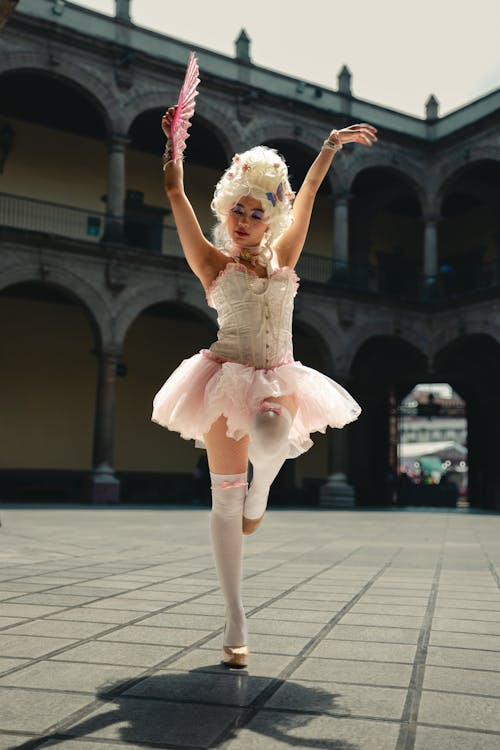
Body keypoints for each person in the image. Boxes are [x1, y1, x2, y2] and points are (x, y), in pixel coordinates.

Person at [152, 108, 378, 667]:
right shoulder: (210, 261)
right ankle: (235, 616)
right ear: (226, 213)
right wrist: (173, 151)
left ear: (268, 216)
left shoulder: (286, 255)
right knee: (223, 501)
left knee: (274, 429)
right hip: (224, 376)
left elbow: (306, 200)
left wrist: (328, 145)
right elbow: (176, 195)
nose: (246, 219)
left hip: (280, 374)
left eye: (257, 211)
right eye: (238, 210)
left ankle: (264, 490)